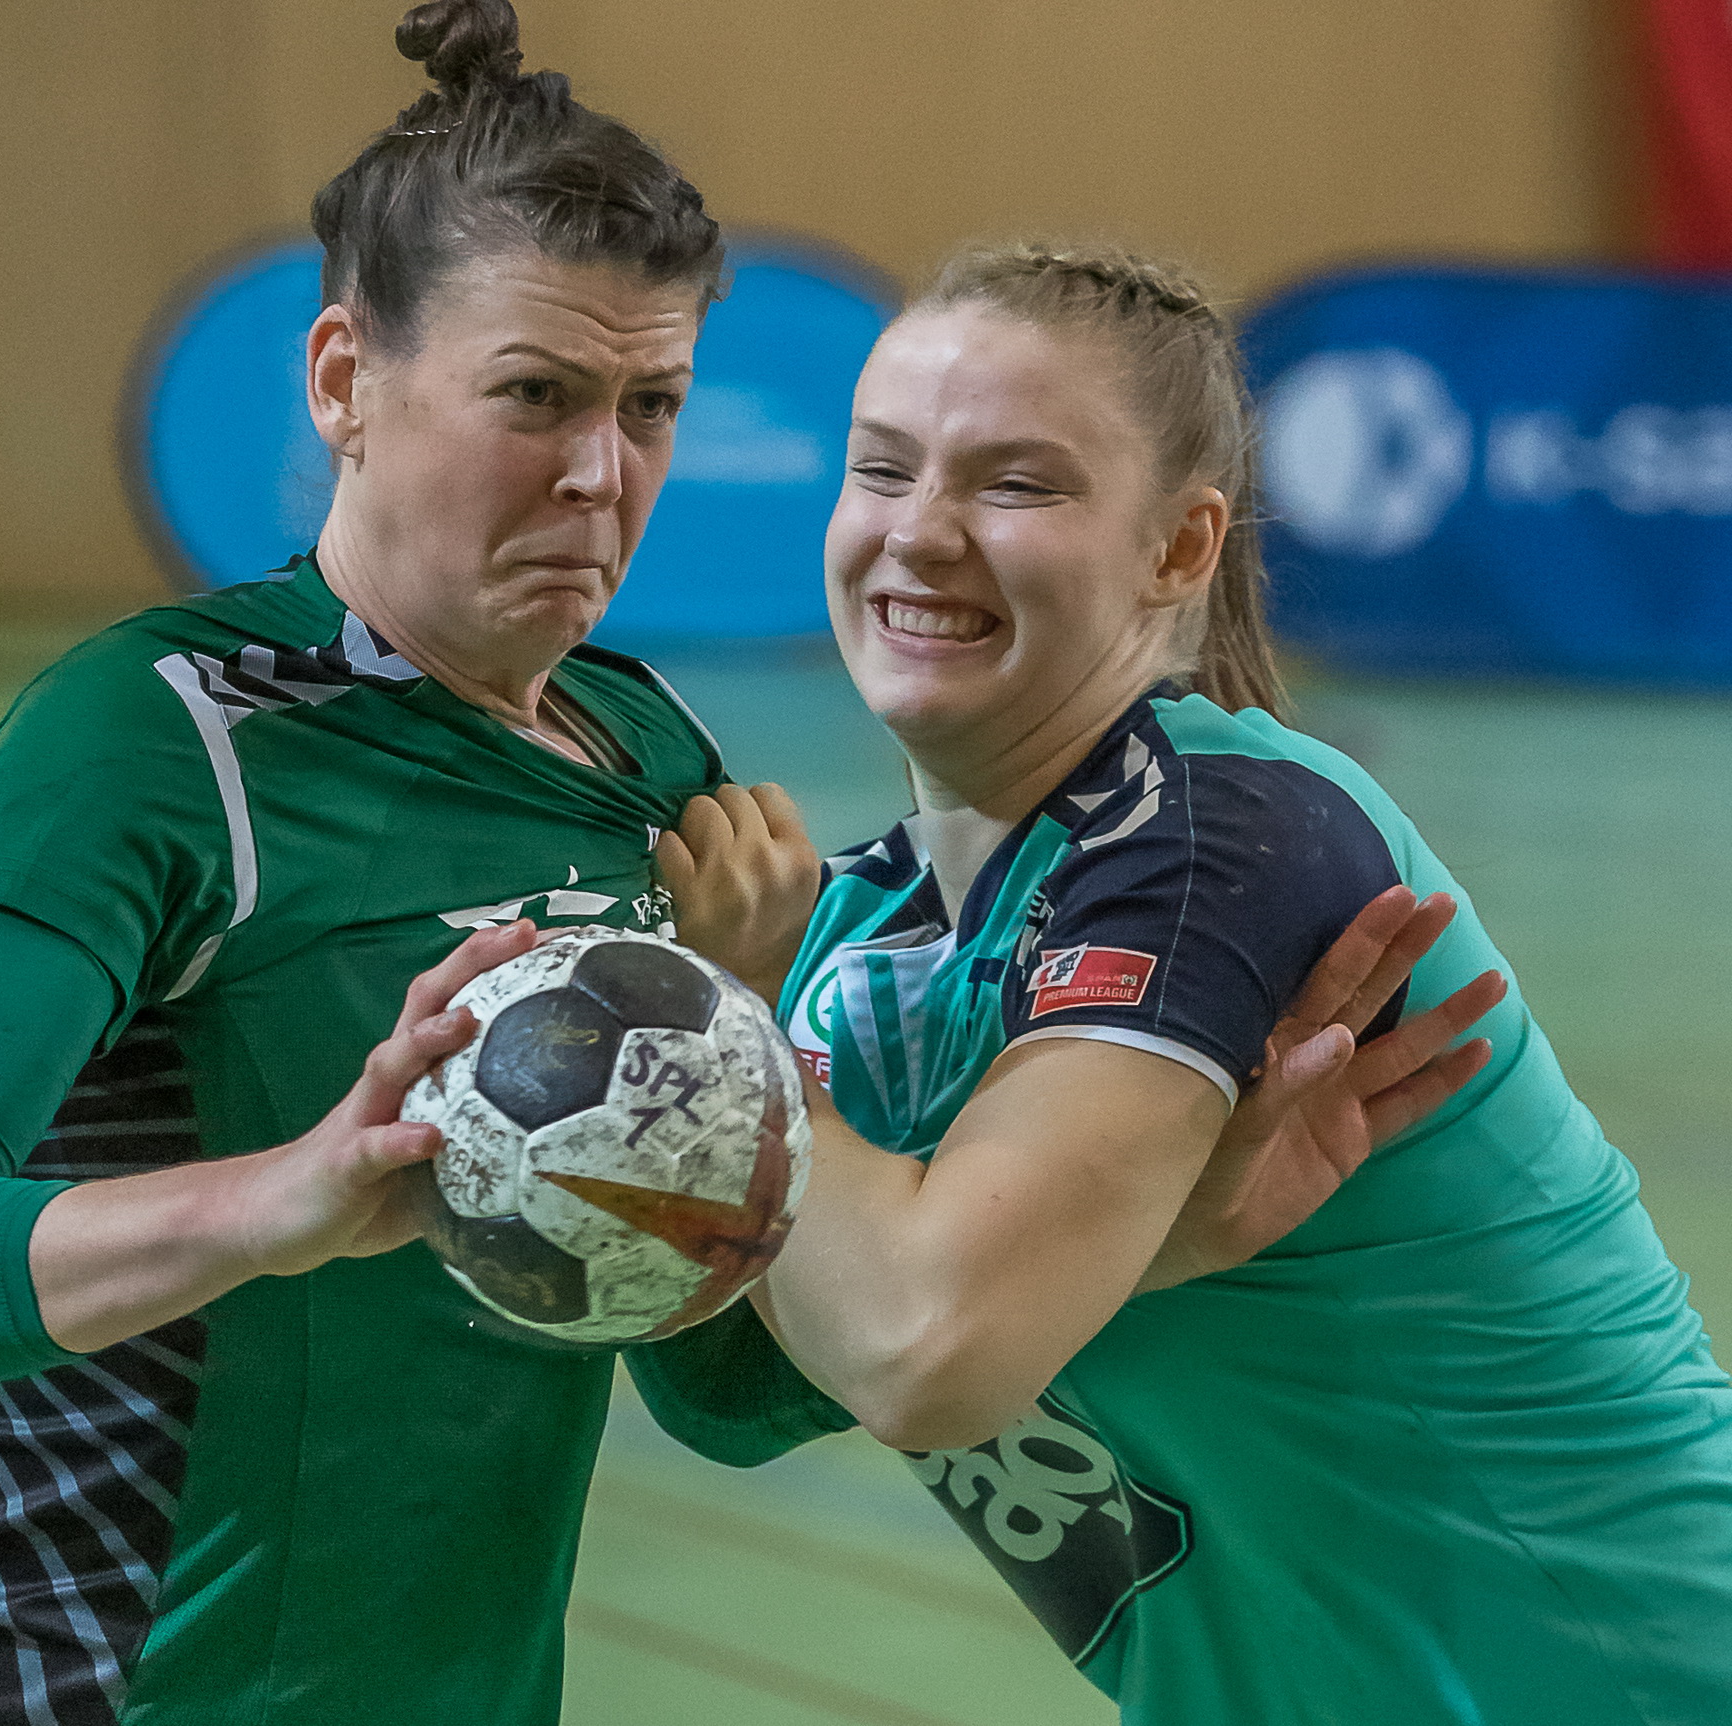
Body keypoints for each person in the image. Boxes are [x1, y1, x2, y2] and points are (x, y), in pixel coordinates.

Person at [0, 9, 1490, 1723]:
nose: (601, 473)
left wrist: (1142, 1224)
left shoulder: (656, 782)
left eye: (652, 404)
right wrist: (285, 1198)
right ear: (348, 377)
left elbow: (717, 1379)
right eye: (537, 395)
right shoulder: (159, 736)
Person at [643, 242, 1732, 1724]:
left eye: (1016, 484)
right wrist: (1152, 1245)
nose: (923, 533)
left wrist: (736, 1024)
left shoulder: (1221, 832)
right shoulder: (854, 930)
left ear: (1178, 548)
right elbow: (724, 1394)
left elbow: (916, 1348)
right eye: (882, 469)